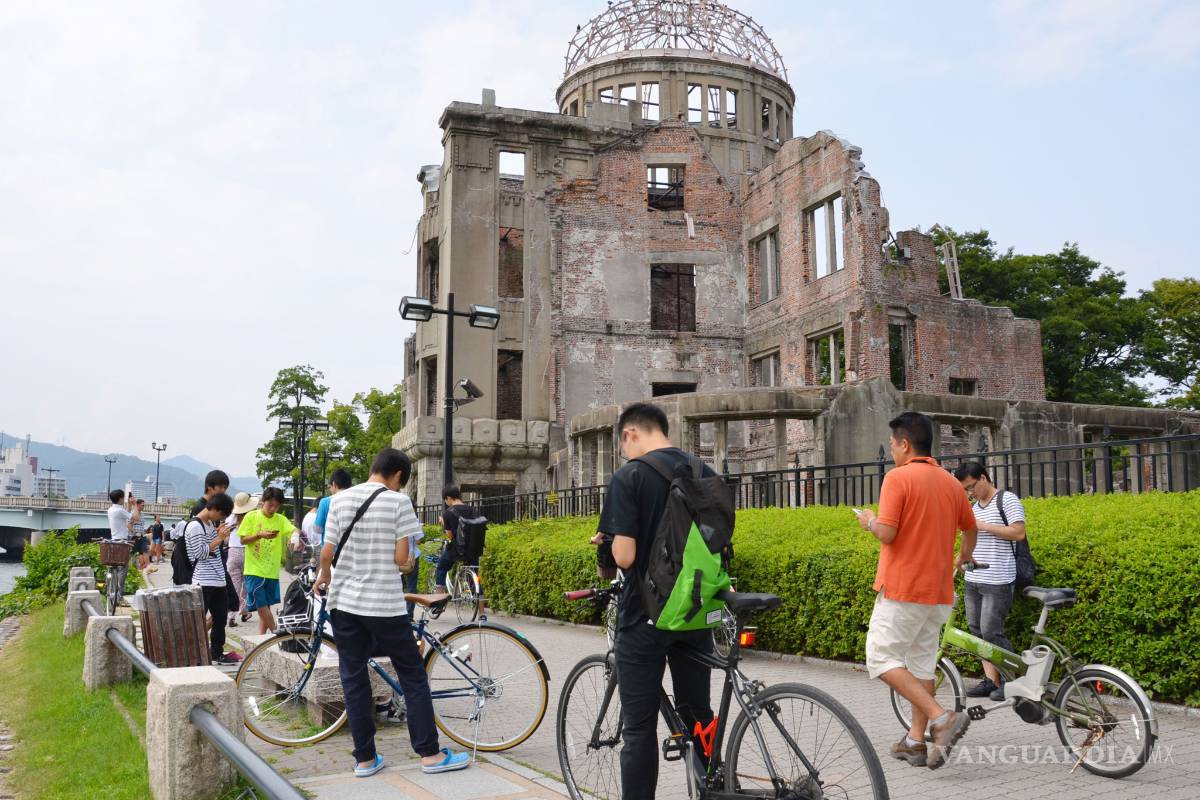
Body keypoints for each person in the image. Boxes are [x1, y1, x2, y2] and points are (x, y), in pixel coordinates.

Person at [316, 448, 468, 779]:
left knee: (353, 677)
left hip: (343, 603)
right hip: (383, 604)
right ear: (398, 475)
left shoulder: (339, 501)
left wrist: (323, 575)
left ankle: (366, 760)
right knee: (412, 674)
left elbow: (326, 552)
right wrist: (407, 560)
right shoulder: (398, 502)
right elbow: (402, 558)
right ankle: (429, 754)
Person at [598, 402, 716, 800]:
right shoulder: (703, 471)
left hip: (645, 617)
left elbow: (625, 558)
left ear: (630, 434)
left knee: (638, 730)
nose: (624, 454)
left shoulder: (629, 477)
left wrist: (609, 542)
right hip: (696, 611)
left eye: (622, 445)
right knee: (699, 715)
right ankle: (712, 788)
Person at [855, 412, 978, 770]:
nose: (892, 451)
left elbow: (887, 533)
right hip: (939, 592)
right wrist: (961, 558)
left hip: (903, 588)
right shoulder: (951, 483)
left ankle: (942, 719)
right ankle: (914, 739)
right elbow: (970, 529)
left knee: (880, 658)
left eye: (893, 445)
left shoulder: (898, 478)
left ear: (905, 444)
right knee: (922, 663)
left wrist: (869, 522)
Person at [953, 462, 1027, 701]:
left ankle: (1012, 682)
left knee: (991, 631)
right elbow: (971, 540)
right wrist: (961, 559)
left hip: (998, 579)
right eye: (966, 490)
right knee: (976, 632)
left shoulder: (1007, 500)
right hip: (973, 577)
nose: (970, 492)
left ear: (984, 478)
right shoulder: (973, 508)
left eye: (972, 487)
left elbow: (1018, 532)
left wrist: (983, 525)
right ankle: (990, 681)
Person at [183, 492, 241, 665]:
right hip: (203, 580)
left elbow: (214, 551)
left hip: (218, 579)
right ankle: (193, 653)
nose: (221, 518)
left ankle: (217, 652)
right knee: (198, 619)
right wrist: (219, 538)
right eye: (222, 514)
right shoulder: (195, 526)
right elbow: (199, 554)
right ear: (214, 509)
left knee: (220, 618)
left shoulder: (209, 524)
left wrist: (220, 538)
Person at [240, 487, 294, 635]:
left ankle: (261, 640)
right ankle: (279, 634)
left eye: (277, 506)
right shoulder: (251, 516)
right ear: (263, 501)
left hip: (271, 571)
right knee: (261, 605)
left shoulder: (281, 519)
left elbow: (294, 530)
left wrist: (294, 537)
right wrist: (259, 535)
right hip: (254, 570)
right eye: (270, 504)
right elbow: (243, 539)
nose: (273, 508)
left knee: (266, 607)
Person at [433, 485, 476, 592]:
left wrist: (444, 523)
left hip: (457, 549)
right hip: (473, 548)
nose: (446, 502)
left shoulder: (448, 513)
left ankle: (438, 601)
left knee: (441, 568)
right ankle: (480, 607)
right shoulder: (471, 510)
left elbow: (450, 536)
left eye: (445, 500)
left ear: (448, 498)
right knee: (475, 574)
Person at [224, 492, 258, 627]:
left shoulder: (230, 518)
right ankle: (244, 611)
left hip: (233, 552)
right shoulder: (253, 517)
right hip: (248, 552)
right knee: (247, 585)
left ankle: (230, 615)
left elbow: (226, 538)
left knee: (234, 585)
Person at [106, 489, 133, 601]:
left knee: (116, 567)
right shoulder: (119, 511)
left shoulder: (111, 510)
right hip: (121, 542)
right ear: (120, 498)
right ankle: (118, 595)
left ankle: (113, 592)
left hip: (114, 540)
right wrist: (135, 504)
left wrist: (129, 506)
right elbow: (134, 518)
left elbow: (126, 516)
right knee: (123, 568)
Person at [315, 468, 353, 545]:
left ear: (334, 484)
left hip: (330, 550)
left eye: (330, 487)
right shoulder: (356, 501)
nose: (330, 490)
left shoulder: (325, 502)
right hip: (350, 551)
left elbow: (317, 529)